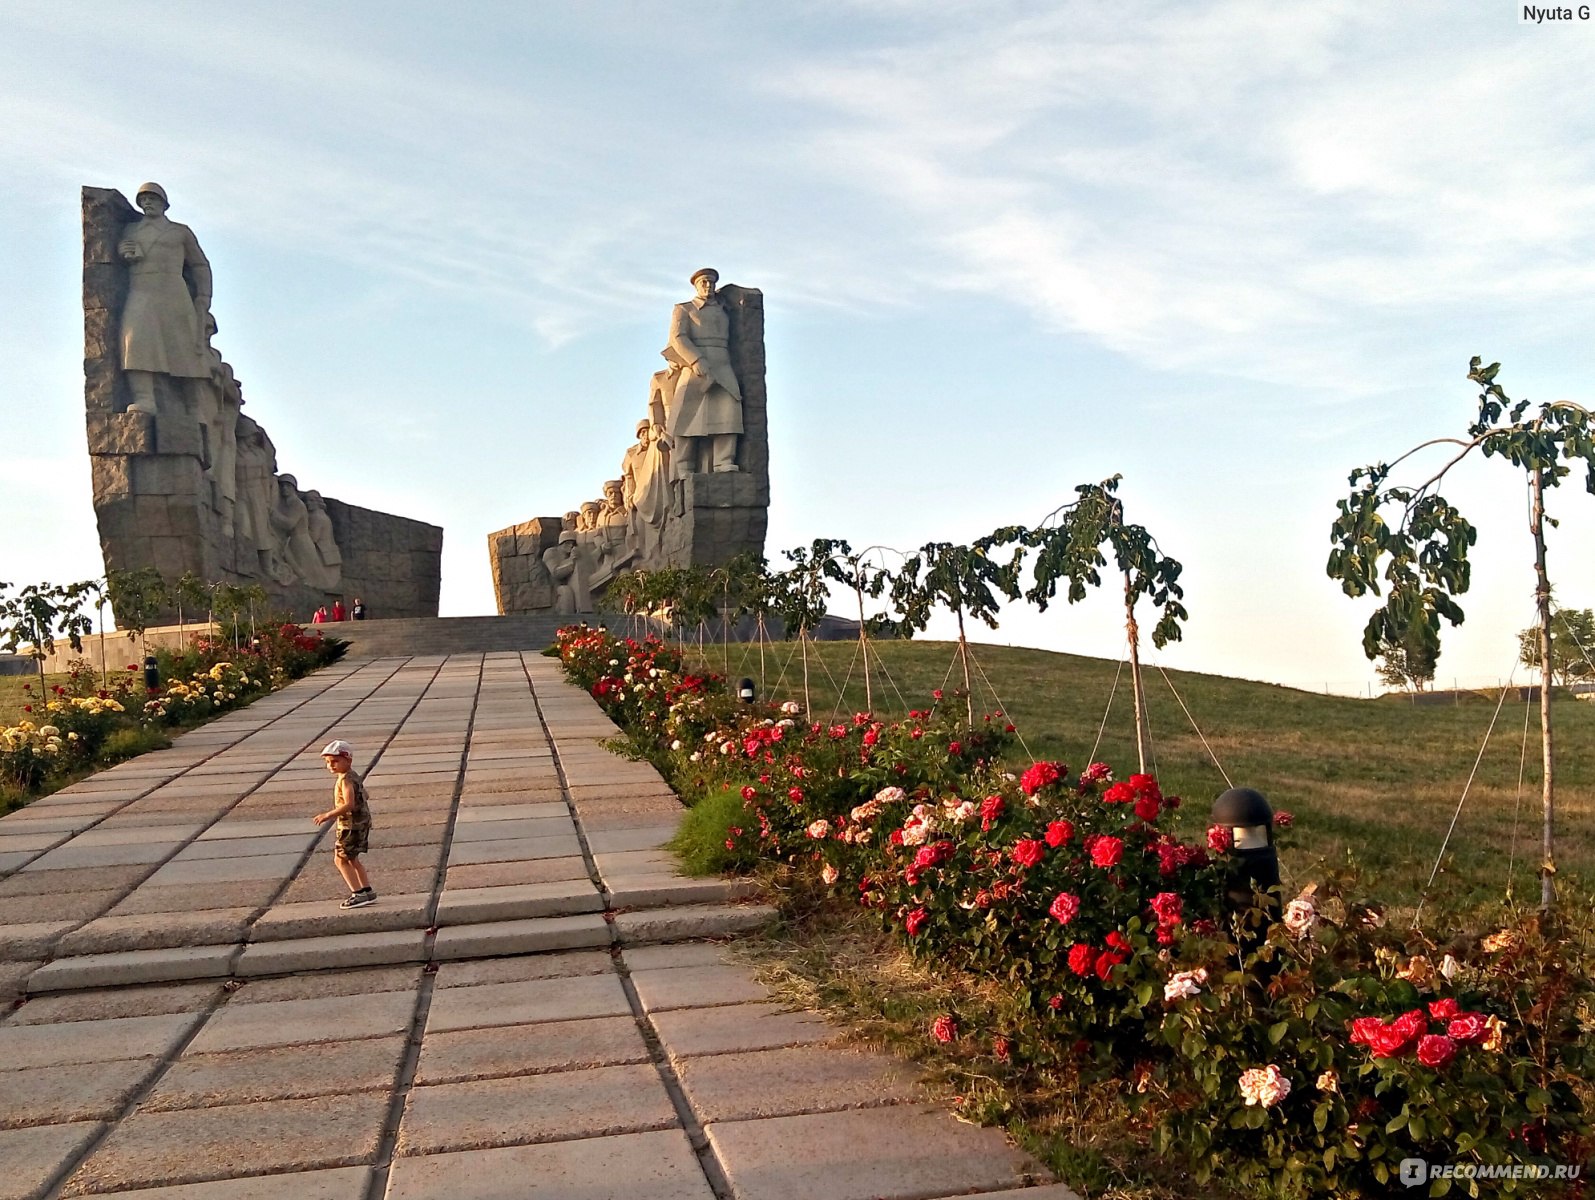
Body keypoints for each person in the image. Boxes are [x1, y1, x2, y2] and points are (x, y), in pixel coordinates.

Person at [117, 183, 212, 417]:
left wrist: (203, 295)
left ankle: (194, 406)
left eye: (153, 199)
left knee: (184, 347)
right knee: (135, 339)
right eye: (144, 200)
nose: (148, 203)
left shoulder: (180, 231)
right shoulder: (130, 230)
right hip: (141, 289)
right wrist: (123, 250)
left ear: (164, 204)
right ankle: (144, 398)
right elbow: (119, 252)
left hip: (173, 291)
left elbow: (200, 264)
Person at [664, 267, 742, 476]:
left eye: (711, 282)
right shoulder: (685, 309)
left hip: (722, 363)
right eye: (704, 282)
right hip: (695, 367)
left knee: (729, 411)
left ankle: (724, 461)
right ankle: (684, 466)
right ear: (696, 285)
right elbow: (678, 337)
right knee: (687, 419)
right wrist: (695, 359)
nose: (708, 286)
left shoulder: (724, 309)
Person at [313, 739, 376, 908]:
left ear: (348, 760)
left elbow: (349, 804)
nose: (331, 765)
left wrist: (328, 815)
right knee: (353, 858)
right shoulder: (353, 775)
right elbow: (366, 795)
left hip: (350, 826)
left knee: (340, 859)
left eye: (335, 761)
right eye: (328, 762)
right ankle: (367, 890)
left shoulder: (345, 780)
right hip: (360, 823)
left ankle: (358, 893)